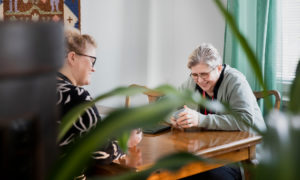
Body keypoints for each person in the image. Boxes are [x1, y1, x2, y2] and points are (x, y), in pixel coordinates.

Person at [170, 43, 266, 180]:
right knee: (180, 169)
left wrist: (200, 119)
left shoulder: (236, 81)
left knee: (205, 173)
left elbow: (245, 121)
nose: (199, 80)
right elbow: (169, 104)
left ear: (219, 68)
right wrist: (175, 117)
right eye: (195, 74)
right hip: (209, 150)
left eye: (204, 74)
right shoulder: (192, 81)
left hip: (244, 155)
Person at [56, 27, 142, 178]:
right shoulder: (76, 96)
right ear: (72, 57)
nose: (93, 69)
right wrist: (126, 142)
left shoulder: (34, 88)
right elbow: (100, 151)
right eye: (92, 60)